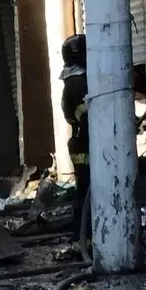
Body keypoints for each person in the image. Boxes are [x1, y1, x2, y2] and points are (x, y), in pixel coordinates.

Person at [58, 34, 90, 256]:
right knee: (88, 191)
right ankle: (84, 239)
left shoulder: (72, 79)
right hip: (87, 144)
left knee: (84, 191)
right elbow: (87, 116)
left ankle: (83, 238)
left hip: (80, 143)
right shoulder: (80, 81)